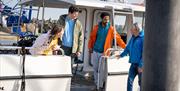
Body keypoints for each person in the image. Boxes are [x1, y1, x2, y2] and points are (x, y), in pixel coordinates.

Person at [88, 12, 126, 90]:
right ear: (102, 19)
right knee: (95, 68)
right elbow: (91, 38)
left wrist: (126, 47)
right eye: (105, 19)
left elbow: (118, 39)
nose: (107, 21)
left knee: (101, 70)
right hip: (95, 51)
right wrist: (90, 47)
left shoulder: (111, 29)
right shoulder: (96, 27)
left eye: (108, 19)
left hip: (104, 52)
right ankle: (96, 84)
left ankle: (100, 85)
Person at [116, 22, 144, 91]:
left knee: (141, 83)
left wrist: (141, 65)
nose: (130, 30)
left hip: (140, 65)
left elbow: (144, 54)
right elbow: (127, 48)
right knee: (129, 80)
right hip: (133, 64)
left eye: (132, 29)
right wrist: (121, 55)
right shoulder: (133, 37)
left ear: (137, 30)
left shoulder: (143, 38)